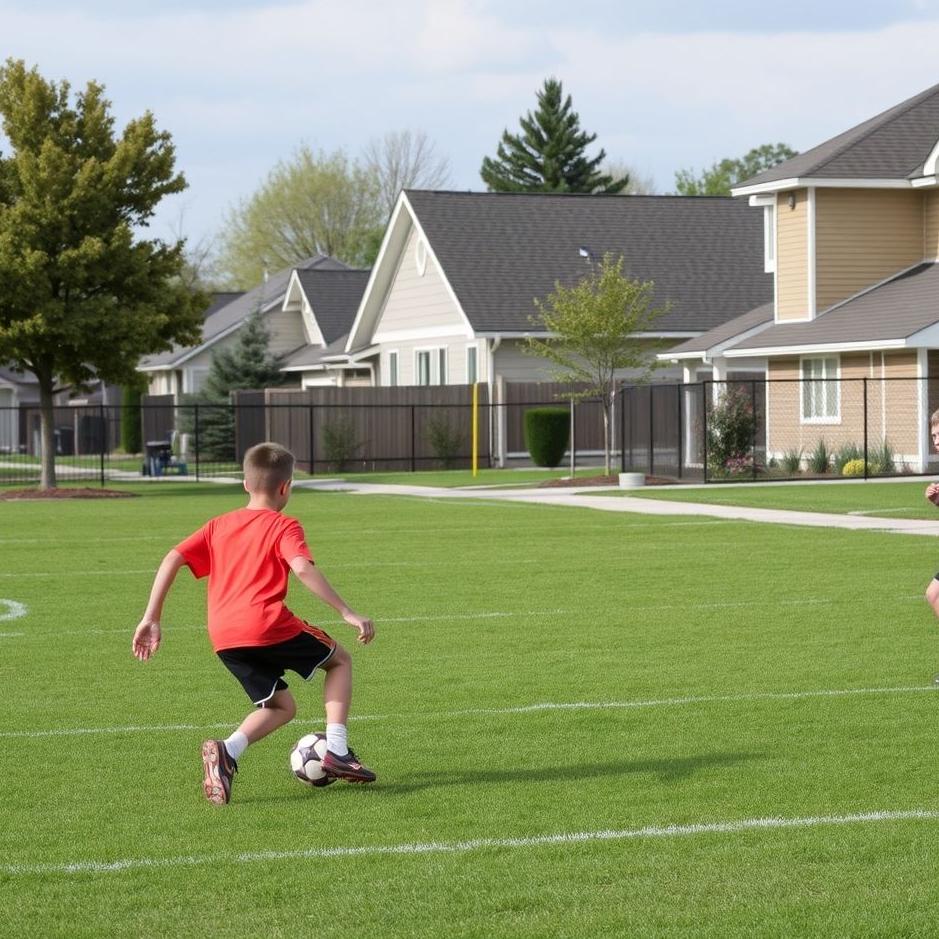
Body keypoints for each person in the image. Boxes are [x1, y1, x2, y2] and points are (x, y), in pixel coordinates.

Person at [132, 441, 376, 804]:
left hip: (223, 636)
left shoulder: (219, 525)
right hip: (265, 623)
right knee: (339, 661)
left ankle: (227, 751)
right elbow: (302, 567)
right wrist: (346, 611)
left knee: (282, 707)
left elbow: (173, 557)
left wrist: (151, 617)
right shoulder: (283, 525)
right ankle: (337, 750)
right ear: (286, 487)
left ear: (245, 483)